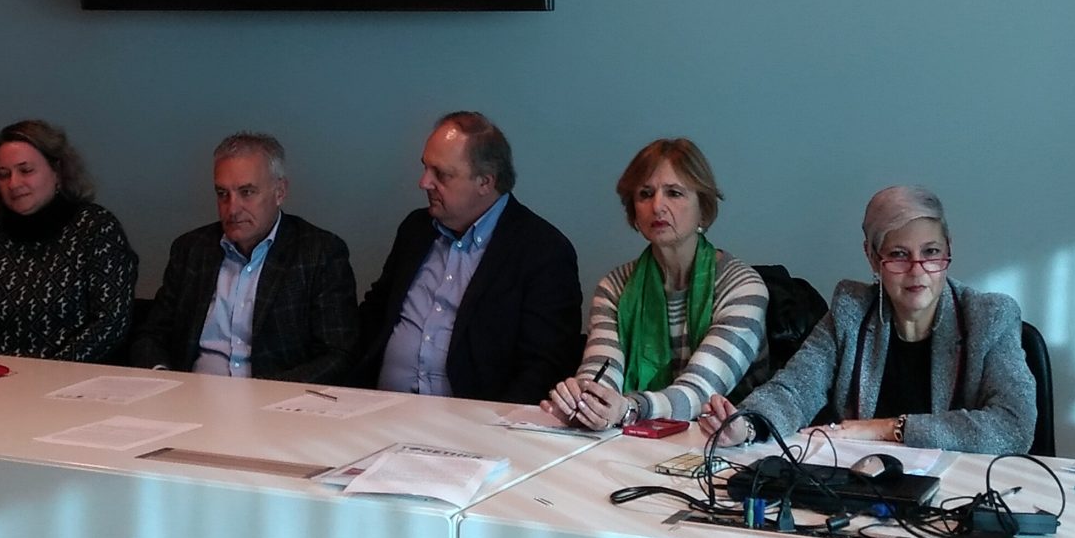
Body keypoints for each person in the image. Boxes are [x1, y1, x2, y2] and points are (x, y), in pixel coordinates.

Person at [707, 185, 1035, 454]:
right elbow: (795, 389)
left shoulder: (989, 316)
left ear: (949, 249)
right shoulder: (852, 311)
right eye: (899, 255)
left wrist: (889, 428)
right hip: (867, 488)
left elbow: (1013, 426)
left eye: (931, 252)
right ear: (873, 257)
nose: (917, 270)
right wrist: (747, 425)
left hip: (961, 491)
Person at [350, 111, 580, 404]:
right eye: (425, 168)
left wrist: (488, 424)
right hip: (377, 408)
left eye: (441, 174)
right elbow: (374, 314)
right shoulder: (416, 229)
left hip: (472, 420)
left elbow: (545, 366)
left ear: (485, 182)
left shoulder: (543, 250)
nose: (424, 182)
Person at [543, 138, 768, 429]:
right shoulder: (614, 287)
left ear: (704, 208)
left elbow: (701, 391)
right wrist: (583, 401)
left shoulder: (742, 286)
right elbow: (601, 372)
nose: (657, 206)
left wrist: (630, 408)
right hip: (634, 439)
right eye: (645, 194)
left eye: (674, 193)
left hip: (726, 443)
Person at [128, 132, 358, 381]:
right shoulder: (192, 249)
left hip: (274, 396)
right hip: (191, 392)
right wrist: (164, 379)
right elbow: (151, 335)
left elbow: (337, 354)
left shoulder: (319, 253)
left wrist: (268, 394)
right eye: (222, 194)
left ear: (280, 192)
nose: (232, 208)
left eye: (247, 192)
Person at [0, 119, 138, 362]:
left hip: (72, 378)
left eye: (26, 171)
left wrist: (48, 371)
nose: (14, 184)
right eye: (3, 175)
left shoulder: (96, 228)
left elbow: (110, 322)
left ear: (57, 171)